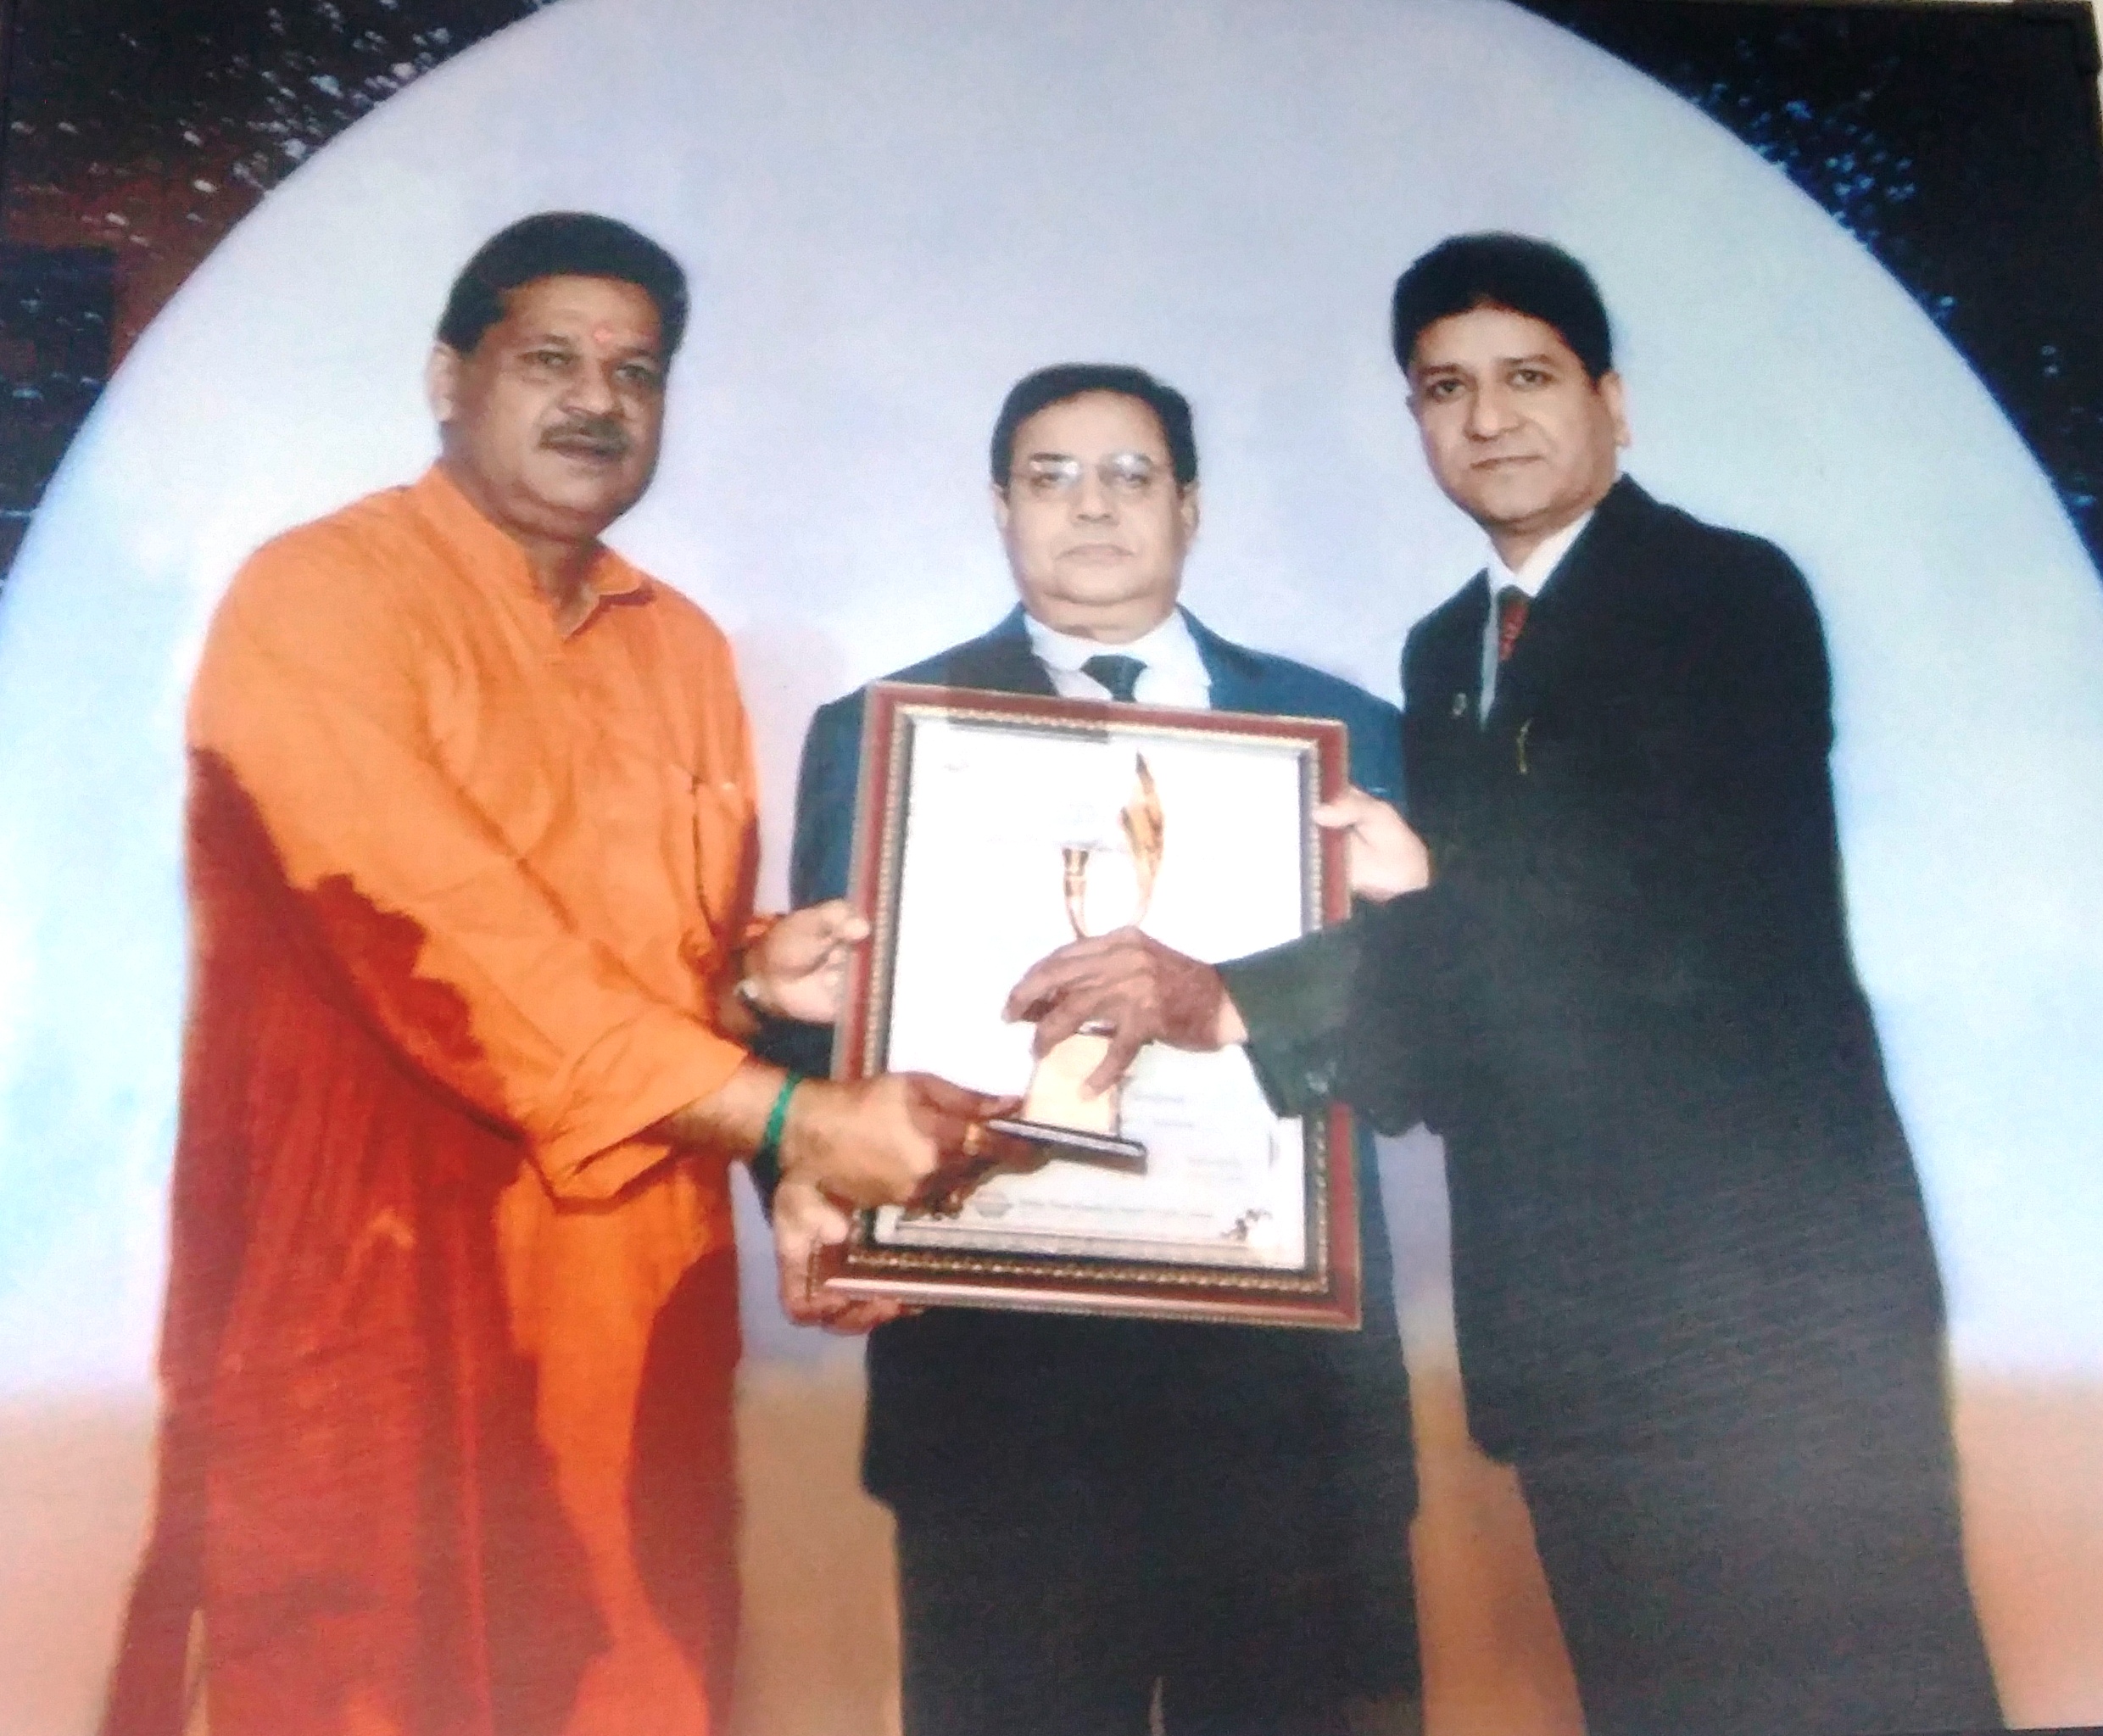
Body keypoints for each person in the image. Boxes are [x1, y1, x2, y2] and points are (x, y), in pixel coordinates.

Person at [1007, 238, 2004, 1736]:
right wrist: (1248, 1017)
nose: (1487, 419)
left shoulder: (1722, 594)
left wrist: (1253, 992)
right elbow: (1449, 1044)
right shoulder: (1446, 653)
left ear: (1613, 401)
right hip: (1572, 1329)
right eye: (1444, 389)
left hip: (1767, 1321)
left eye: (1528, 377)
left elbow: (1660, 933)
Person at [101, 211, 1011, 1736]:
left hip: (633, 1328)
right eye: (550, 359)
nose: (598, 400)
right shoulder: (317, 599)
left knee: (634, 1693)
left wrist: (752, 996)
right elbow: (444, 948)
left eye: (636, 372)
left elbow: (646, 978)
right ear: (447, 378)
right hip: (377, 1296)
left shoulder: (683, 650)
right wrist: (796, 1122)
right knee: (355, 1694)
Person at [767, 364, 1421, 1736]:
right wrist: (809, 1185)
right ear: (1000, 507)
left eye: (1132, 475)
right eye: (1052, 476)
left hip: (1285, 1402)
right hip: (996, 1397)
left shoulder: (1348, 733)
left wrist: (1285, 978)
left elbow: (1431, 1025)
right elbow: (815, 1023)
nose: (1094, 507)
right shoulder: (881, 732)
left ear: (1191, 506)